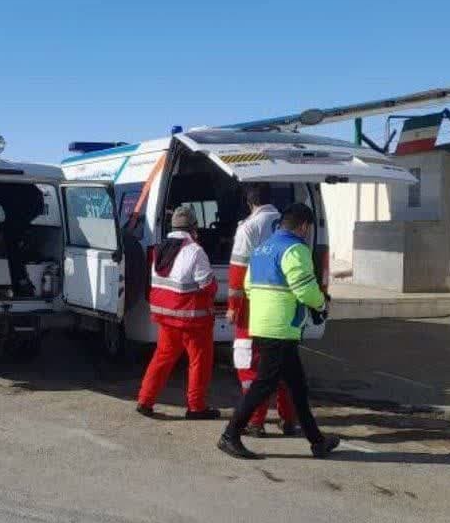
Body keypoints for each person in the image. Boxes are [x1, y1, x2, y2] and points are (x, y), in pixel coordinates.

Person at [218, 203, 340, 459]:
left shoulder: (262, 249)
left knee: (297, 386)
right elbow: (304, 288)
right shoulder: (295, 249)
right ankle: (230, 434)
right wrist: (321, 303)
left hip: (262, 325)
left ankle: (317, 441)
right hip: (281, 328)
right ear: (304, 226)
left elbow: (249, 286)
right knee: (263, 385)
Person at [136, 205, 220, 419]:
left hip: (166, 317)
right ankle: (196, 407)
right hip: (193, 320)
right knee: (199, 362)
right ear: (193, 227)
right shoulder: (195, 250)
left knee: (162, 358)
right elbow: (207, 286)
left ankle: (145, 401)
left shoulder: (159, 249)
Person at [227, 184, 298, 437]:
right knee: (283, 364)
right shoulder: (288, 223)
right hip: (285, 305)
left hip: (254, 304)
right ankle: (289, 418)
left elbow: (237, 274)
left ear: (249, 202)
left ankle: (255, 421)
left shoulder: (248, 227)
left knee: (250, 364)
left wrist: (234, 307)